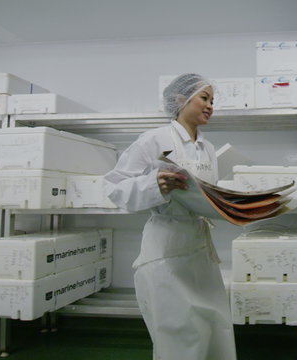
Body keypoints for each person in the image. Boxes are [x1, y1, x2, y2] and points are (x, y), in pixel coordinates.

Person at [104, 73, 236, 360]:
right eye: (204, 98)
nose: (210, 105)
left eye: (212, 100)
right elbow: (115, 187)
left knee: (214, 324)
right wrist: (155, 185)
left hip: (200, 248)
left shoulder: (208, 148)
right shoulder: (153, 139)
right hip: (165, 248)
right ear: (180, 99)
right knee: (180, 331)